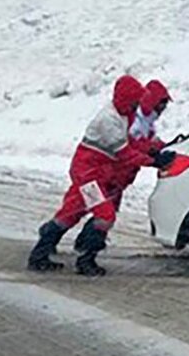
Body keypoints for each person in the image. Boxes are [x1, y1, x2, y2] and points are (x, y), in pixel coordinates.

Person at [28, 75, 175, 276]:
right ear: (127, 99)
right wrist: (153, 160)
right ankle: (86, 258)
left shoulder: (124, 115)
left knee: (71, 212)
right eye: (135, 102)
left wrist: (159, 147)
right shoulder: (109, 120)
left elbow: (137, 142)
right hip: (89, 176)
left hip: (99, 174)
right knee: (104, 215)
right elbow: (125, 153)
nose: (137, 107)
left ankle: (41, 252)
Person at [71, 79, 172, 251]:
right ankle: (84, 254)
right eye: (160, 105)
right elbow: (128, 150)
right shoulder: (118, 120)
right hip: (92, 176)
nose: (162, 111)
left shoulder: (135, 119)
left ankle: (79, 246)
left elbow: (145, 142)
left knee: (92, 210)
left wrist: (163, 148)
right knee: (97, 213)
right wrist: (153, 159)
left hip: (108, 177)